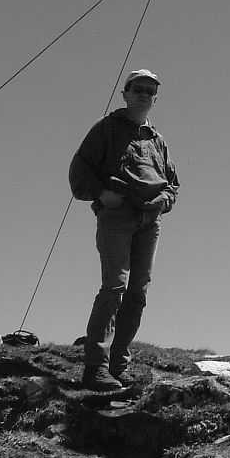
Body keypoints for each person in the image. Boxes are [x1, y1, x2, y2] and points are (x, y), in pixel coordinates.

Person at [69, 69, 179, 391]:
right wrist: (102, 194)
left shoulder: (157, 140)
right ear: (125, 93)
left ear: (155, 98)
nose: (144, 94)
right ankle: (96, 368)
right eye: (138, 89)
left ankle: (118, 366)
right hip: (117, 216)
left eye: (150, 90)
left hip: (149, 221)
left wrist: (164, 200)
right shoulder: (105, 129)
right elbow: (79, 171)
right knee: (114, 287)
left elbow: (172, 183)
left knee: (138, 291)